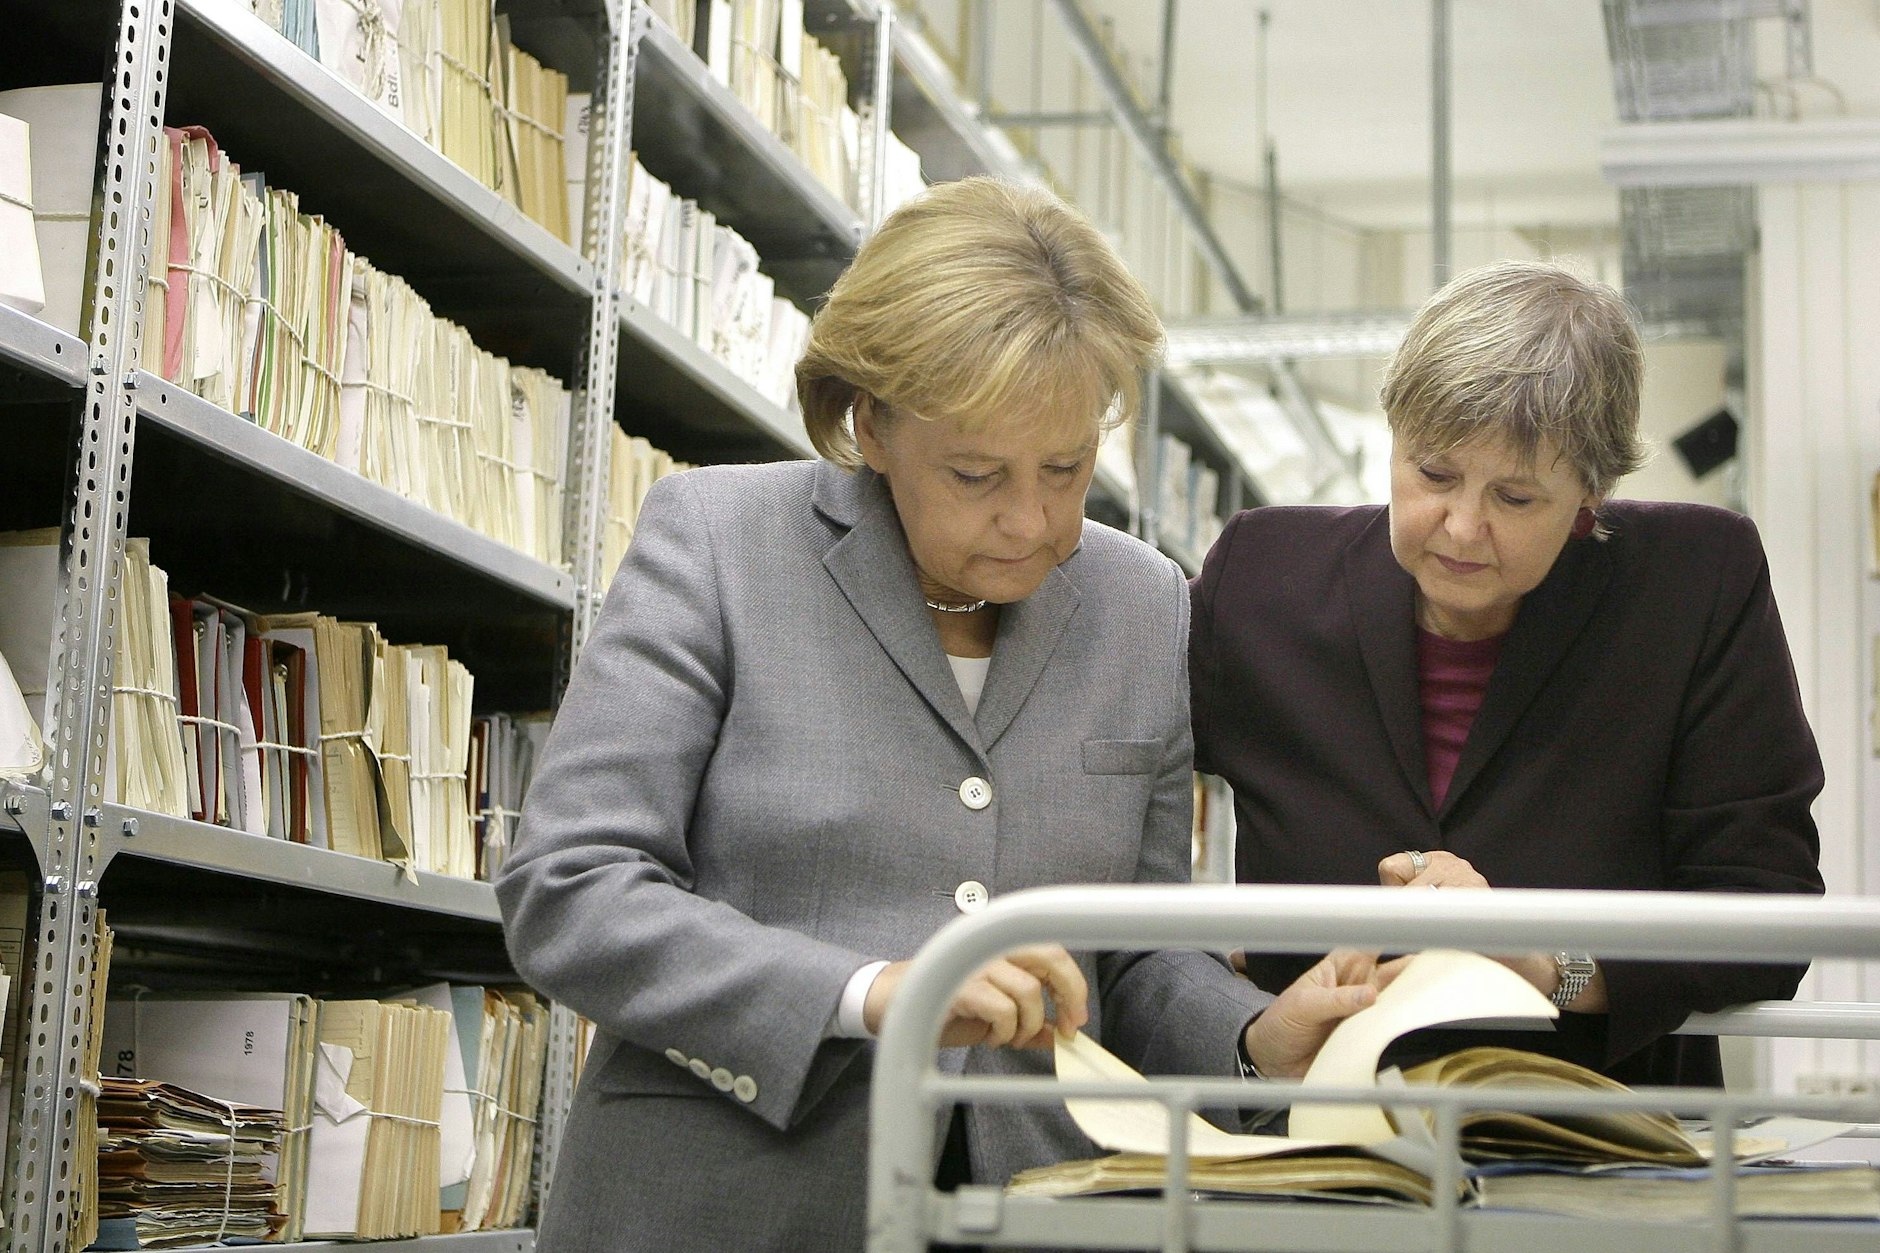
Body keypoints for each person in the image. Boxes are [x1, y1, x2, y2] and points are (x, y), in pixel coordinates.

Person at [496, 176, 1388, 1253]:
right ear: (869, 424)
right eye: (975, 473)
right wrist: (876, 993)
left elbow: (1140, 954)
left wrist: (1254, 1040)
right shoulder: (719, 542)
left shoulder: (1142, 603)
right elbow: (571, 888)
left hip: (1036, 1204)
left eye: (1065, 468)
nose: (1032, 520)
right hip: (722, 1203)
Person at [1190, 258, 1825, 1089]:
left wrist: (1547, 962)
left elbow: (1764, 911)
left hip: (1598, 1139)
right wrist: (1208, 968)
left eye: (1516, 498)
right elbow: (1108, 804)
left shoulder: (1695, 584)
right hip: (1315, 1134)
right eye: (1433, 473)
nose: (1461, 526)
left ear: (1588, 500)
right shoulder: (1261, 576)